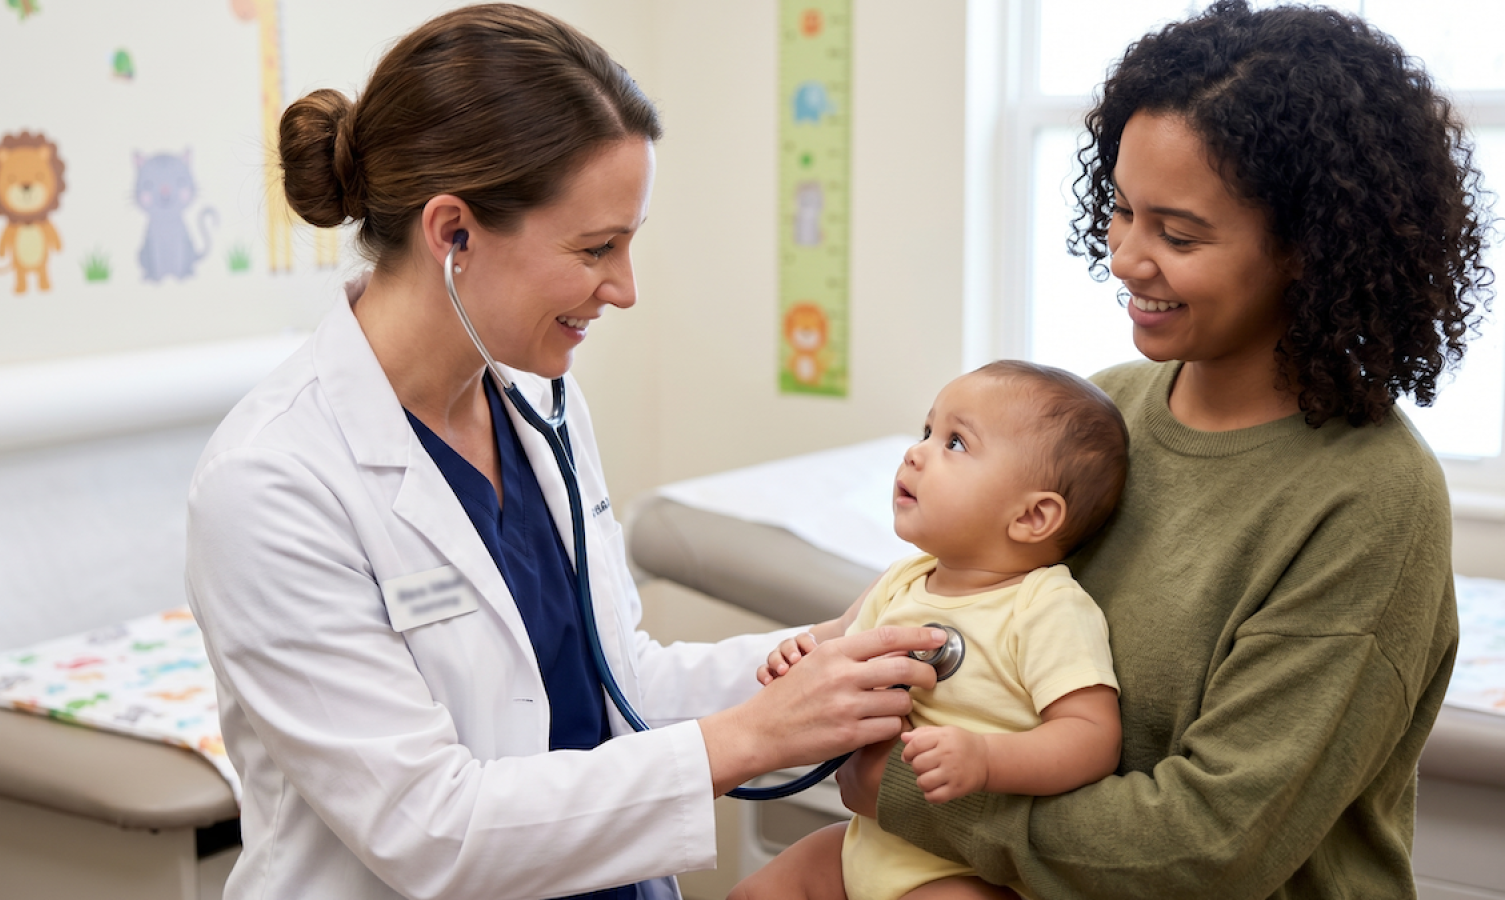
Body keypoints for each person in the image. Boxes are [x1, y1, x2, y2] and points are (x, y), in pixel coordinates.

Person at [182, 6, 947, 900]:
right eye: (596, 248)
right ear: (453, 232)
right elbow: (432, 829)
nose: (623, 288)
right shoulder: (270, 484)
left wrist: (831, 653)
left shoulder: (538, 398)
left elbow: (618, 682)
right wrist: (756, 735)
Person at [837, 3, 1490, 898]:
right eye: (1121, 210)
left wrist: (908, 796)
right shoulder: (1111, 410)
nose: (1128, 259)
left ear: (1311, 247)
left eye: (1178, 235)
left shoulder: (1370, 500)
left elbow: (1212, 844)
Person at [731, 361, 1130, 900]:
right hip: (868, 841)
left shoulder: (1046, 606)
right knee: (760, 890)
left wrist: (987, 760)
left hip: (959, 871)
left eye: (956, 443)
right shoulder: (904, 580)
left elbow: (1092, 737)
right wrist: (801, 659)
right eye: (927, 432)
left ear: (1033, 517)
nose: (915, 452)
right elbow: (844, 665)